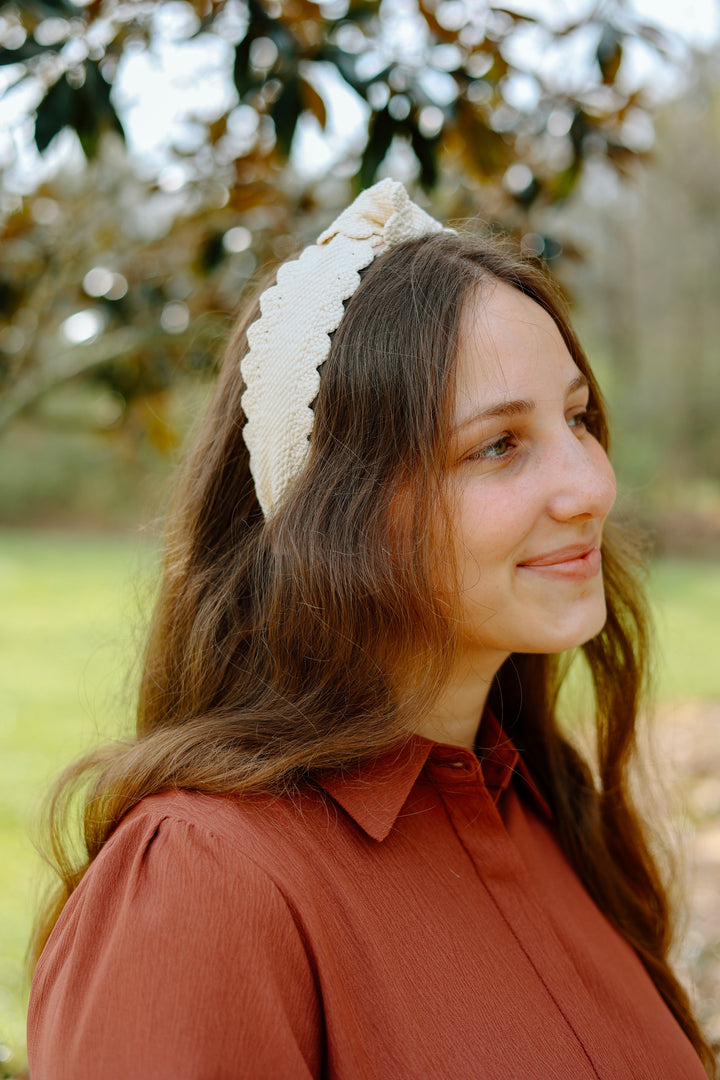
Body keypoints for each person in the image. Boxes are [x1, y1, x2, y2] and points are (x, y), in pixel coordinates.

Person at [27, 180, 715, 1079]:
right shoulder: (206, 884)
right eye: (498, 445)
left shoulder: (551, 812)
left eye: (578, 418)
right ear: (337, 515)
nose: (592, 487)